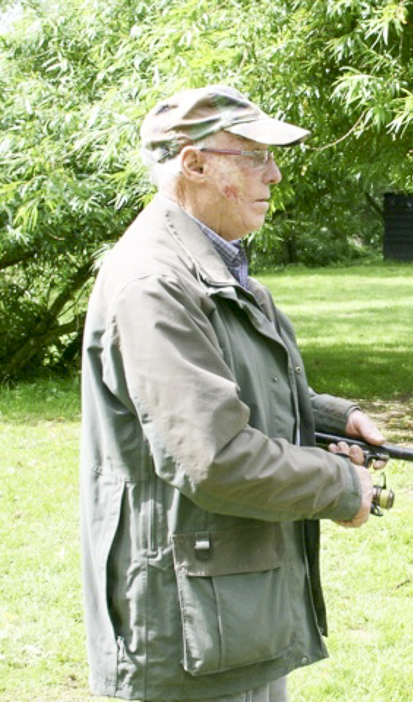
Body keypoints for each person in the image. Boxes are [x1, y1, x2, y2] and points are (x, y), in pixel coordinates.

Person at [79, 85, 386, 701]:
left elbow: (226, 387)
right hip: (183, 630)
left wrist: (327, 418)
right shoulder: (154, 283)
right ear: (193, 164)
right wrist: (341, 485)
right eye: (253, 156)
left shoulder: (215, 265)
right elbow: (213, 457)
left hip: (231, 612)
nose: (273, 173)